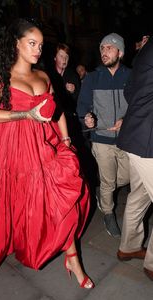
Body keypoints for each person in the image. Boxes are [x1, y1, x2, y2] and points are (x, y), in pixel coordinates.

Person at [0, 18, 94, 296]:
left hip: (43, 147)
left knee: (62, 202)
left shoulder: (45, 76)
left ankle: (74, 260)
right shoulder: (5, 78)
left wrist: (67, 140)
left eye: (40, 45)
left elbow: (56, 111)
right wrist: (25, 114)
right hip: (12, 150)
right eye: (31, 44)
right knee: (20, 204)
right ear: (16, 44)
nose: (37, 50)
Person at [77, 33, 131, 238]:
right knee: (108, 181)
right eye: (102, 48)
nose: (104, 52)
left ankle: (104, 195)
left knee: (126, 177)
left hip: (126, 139)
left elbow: (138, 105)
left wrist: (126, 120)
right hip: (101, 139)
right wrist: (87, 118)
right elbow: (82, 106)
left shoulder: (131, 76)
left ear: (120, 52)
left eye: (109, 48)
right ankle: (108, 213)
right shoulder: (92, 77)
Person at [116, 36, 153, 282]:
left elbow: (129, 90)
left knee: (139, 195)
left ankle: (128, 247)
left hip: (136, 135)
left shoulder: (145, 50)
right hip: (147, 139)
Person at [48, 43, 81, 148]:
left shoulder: (73, 75)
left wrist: (73, 91)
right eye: (61, 56)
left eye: (66, 57)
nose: (64, 59)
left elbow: (78, 100)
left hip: (69, 120)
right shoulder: (48, 75)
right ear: (54, 58)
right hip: (52, 119)